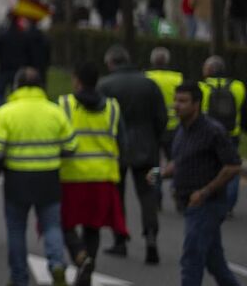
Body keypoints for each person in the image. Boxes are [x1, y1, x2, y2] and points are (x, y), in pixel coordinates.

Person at [0, 68, 72, 286]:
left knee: (16, 229)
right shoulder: (55, 111)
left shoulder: (6, 112)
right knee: (52, 226)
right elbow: (71, 146)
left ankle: (19, 277)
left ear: (16, 86)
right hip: (48, 178)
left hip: (17, 179)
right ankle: (57, 265)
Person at [162, 86, 244, 286]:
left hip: (207, 204)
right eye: (175, 100)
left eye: (182, 101)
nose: (176, 106)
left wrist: (205, 192)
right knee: (215, 262)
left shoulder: (212, 131)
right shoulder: (182, 129)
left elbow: (233, 166)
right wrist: (162, 173)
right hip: (189, 203)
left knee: (192, 257)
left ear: (196, 105)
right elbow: (180, 161)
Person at [58, 62, 126, 286]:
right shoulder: (113, 107)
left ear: (77, 80)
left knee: (64, 223)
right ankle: (86, 272)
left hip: (72, 177)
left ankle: (80, 256)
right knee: (92, 227)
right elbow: (122, 141)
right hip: (103, 177)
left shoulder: (65, 104)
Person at [99, 45, 167, 264]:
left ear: (110, 63)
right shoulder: (149, 84)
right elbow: (161, 118)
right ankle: (151, 237)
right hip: (146, 146)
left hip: (115, 147)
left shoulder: (105, 85)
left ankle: (120, 240)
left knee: (116, 196)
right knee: (147, 194)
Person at [199, 56, 247, 210]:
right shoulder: (238, 86)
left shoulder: (201, 87)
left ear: (209, 70)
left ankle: (212, 197)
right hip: (232, 133)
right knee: (232, 166)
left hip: (209, 134)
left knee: (209, 166)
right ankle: (229, 205)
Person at [147, 47, 183, 153]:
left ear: (152, 60)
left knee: (154, 163)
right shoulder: (178, 78)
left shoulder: (146, 78)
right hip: (174, 127)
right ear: (167, 61)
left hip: (152, 127)